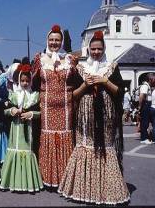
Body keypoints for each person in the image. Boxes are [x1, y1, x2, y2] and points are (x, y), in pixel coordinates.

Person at [58, 30, 130, 205]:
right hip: (85, 118)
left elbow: (120, 92)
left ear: (104, 49)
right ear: (88, 49)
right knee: (85, 146)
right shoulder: (81, 69)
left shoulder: (112, 66)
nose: (96, 52)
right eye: (93, 49)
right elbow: (73, 95)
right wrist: (85, 85)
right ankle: (85, 191)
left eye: (99, 49)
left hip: (106, 116)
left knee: (106, 147)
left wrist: (105, 82)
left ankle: (108, 192)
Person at [32, 24, 78, 188]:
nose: (54, 43)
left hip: (66, 108)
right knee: (48, 137)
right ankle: (48, 177)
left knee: (65, 136)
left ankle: (64, 179)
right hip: (46, 107)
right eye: (51, 40)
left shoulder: (70, 60)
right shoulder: (40, 59)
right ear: (47, 41)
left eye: (57, 40)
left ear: (62, 42)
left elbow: (77, 81)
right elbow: (33, 83)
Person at [0, 63, 43, 192]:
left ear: (30, 81)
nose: (24, 83)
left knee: (27, 150)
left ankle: (27, 183)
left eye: (27, 80)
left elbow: (40, 113)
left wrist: (31, 114)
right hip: (15, 129)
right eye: (22, 80)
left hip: (28, 131)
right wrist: (12, 110)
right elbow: (4, 111)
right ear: (18, 80)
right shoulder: (13, 95)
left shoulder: (35, 96)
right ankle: (12, 181)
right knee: (14, 149)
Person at [138, 73, 155, 144]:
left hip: (147, 105)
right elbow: (141, 96)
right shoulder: (145, 86)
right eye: (154, 78)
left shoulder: (148, 86)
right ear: (150, 79)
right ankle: (144, 138)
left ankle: (146, 137)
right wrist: (139, 107)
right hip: (145, 105)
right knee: (144, 122)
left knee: (146, 121)